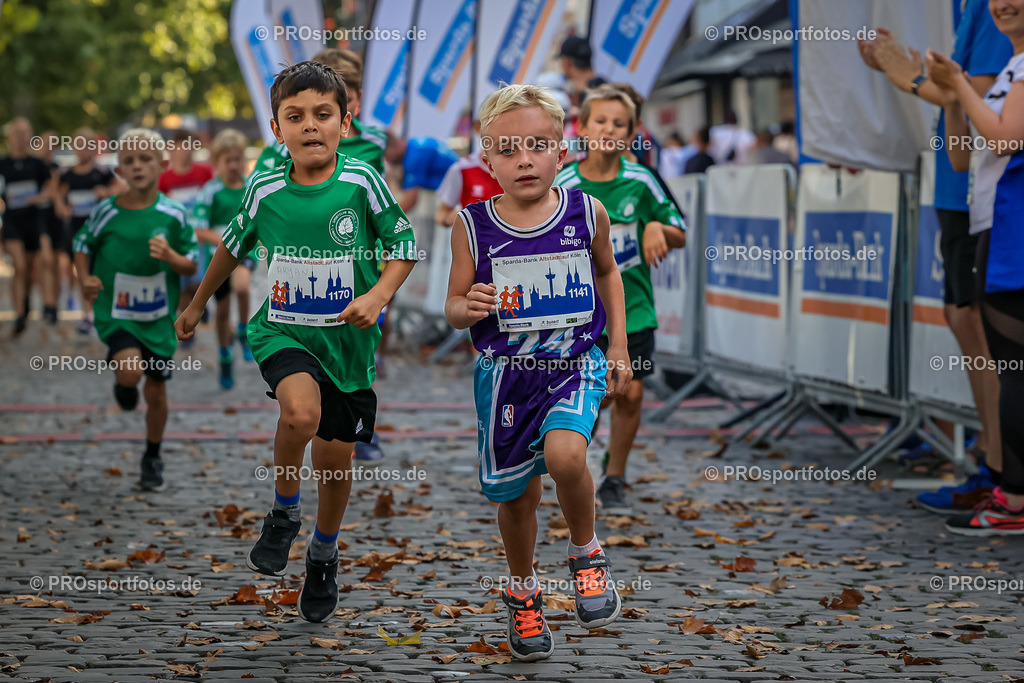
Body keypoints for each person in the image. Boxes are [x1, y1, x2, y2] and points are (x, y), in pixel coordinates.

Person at [175, 61, 417, 620]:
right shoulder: (265, 185)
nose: (310, 126)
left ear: (345, 122)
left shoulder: (362, 181)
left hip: (348, 345)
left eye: (322, 115)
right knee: (300, 415)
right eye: (295, 116)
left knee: (335, 461)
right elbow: (231, 247)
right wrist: (196, 304)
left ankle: (324, 553)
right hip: (281, 328)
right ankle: (284, 512)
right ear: (276, 127)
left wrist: (377, 296)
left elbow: (404, 244)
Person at [445, 83, 631, 661]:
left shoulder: (586, 211)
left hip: (574, 363)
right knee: (518, 496)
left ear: (562, 150)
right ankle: (524, 595)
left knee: (566, 456)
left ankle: (586, 551)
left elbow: (608, 275)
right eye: (508, 149)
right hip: (505, 376)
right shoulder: (471, 225)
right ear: (488, 159)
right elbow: (452, 307)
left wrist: (619, 345)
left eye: (537, 145)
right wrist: (467, 307)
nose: (524, 158)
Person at [858, 0, 1011, 514]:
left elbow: (989, 112)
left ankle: (999, 477)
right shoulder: (976, 8)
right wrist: (928, 84)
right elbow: (962, 113)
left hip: (985, 203)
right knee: (969, 324)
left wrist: (910, 76)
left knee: (984, 333)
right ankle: (991, 469)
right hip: (965, 191)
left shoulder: (998, 14)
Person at [554, 85, 686, 515]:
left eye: (619, 123)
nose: (609, 129)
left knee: (629, 392)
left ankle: (616, 476)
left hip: (634, 309)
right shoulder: (566, 183)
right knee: (601, 393)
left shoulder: (642, 180)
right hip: (581, 312)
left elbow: (679, 231)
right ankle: (575, 465)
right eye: (600, 121)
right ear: (582, 128)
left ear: (632, 132)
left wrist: (656, 229)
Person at [928, 0, 1024, 535]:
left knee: (1012, 367)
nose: (1002, 5)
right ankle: (1009, 495)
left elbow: (1008, 137)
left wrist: (960, 84)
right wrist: (952, 101)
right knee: (1007, 363)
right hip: (994, 224)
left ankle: (1012, 496)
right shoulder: (1012, 65)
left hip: (1015, 230)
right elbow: (963, 156)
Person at [72, 128, 199, 491]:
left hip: (158, 317)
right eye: (129, 161)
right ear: (119, 171)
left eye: (145, 159)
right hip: (117, 311)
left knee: (157, 392)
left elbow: (191, 264)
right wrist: (85, 278)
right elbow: (81, 243)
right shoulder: (106, 211)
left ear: (161, 165)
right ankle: (124, 384)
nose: (137, 166)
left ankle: (152, 455)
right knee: (130, 372)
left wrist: (172, 256)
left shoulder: (175, 214)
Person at [252, 48, 388, 177]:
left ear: (359, 97)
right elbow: (256, 192)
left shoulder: (376, 139)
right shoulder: (285, 147)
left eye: (347, 100)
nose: (341, 108)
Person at [193, 129, 251, 389]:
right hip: (218, 258)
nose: (234, 165)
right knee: (221, 312)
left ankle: (243, 329)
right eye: (228, 160)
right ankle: (225, 355)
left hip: (245, 253)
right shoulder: (211, 190)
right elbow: (198, 229)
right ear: (218, 163)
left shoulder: (252, 188)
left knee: (243, 286)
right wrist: (223, 242)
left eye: (238, 159)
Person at [60, 128, 120, 335]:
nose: (83, 149)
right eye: (79, 145)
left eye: (87, 145)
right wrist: (63, 208)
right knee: (82, 272)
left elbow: (119, 189)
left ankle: (104, 311)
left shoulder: (103, 172)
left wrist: (106, 192)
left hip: (100, 230)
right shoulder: (67, 174)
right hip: (77, 230)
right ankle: (87, 314)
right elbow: (59, 198)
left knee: (102, 271)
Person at [0, 117, 52, 336]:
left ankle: (26, 301)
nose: (21, 137)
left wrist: (40, 197)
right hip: (11, 222)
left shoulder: (37, 164)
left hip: (33, 221)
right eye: (17, 133)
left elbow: (51, 188)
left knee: (30, 269)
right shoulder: (2, 164)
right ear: (10, 136)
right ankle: (19, 313)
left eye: (25, 133)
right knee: (19, 266)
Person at [434, 120, 504, 228]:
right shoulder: (461, 168)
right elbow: (441, 214)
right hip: (476, 243)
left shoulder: (522, 165)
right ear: (477, 128)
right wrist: (451, 218)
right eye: (491, 123)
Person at [383, 134, 457, 213]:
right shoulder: (413, 145)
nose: (387, 161)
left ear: (394, 146)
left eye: (385, 155)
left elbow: (410, 200)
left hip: (455, 197)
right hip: (453, 193)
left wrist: (384, 221)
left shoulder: (413, 158)